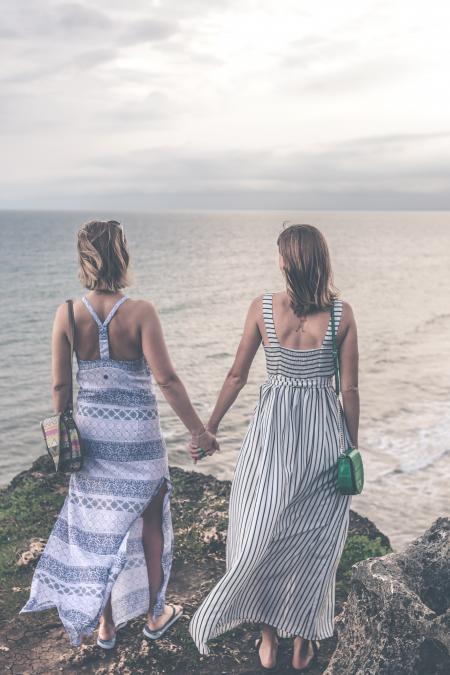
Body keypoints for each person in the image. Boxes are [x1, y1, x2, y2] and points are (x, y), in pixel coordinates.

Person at [21, 219, 217, 648]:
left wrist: (64, 436)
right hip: (140, 441)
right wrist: (199, 432)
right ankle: (154, 614)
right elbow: (166, 380)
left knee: (99, 532)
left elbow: (60, 387)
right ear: (121, 255)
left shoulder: (68, 314)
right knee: (151, 524)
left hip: (91, 438)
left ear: (84, 258)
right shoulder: (141, 311)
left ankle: (106, 627)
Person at [189, 224, 359, 671]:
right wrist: (352, 449)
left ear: (286, 261)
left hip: (273, 437)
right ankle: (302, 643)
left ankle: (268, 640)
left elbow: (236, 375)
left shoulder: (263, 308)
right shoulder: (341, 315)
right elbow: (351, 391)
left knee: (259, 529)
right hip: (324, 436)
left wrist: (208, 428)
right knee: (315, 542)